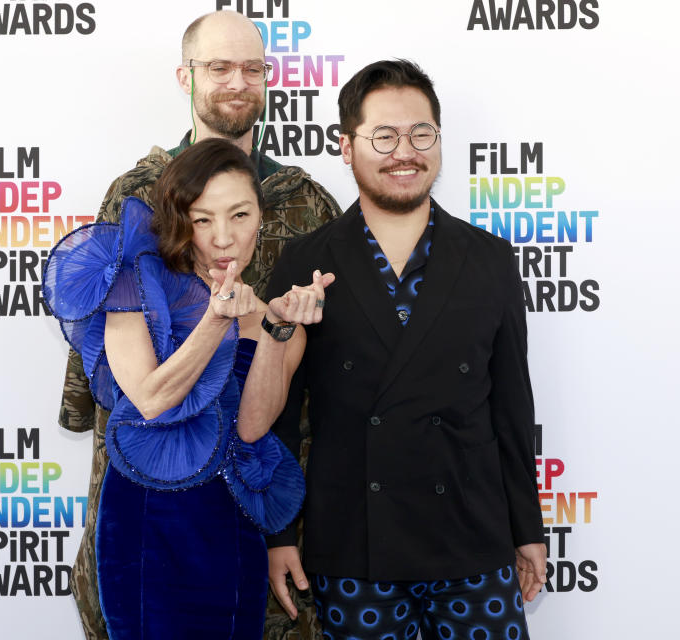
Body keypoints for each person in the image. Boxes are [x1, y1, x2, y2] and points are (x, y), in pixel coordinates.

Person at [56, 10, 340, 639]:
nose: (236, 81)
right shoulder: (135, 196)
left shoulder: (308, 202)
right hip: (146, 490)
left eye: (252, 68)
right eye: (218, 67)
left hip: (250, 496)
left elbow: (314, 387)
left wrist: (284, 528)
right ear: (185, 76)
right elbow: (118, 376)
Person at [264, 59, 548, 640]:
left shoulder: (490, 259)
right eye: (384, 136)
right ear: (346, 146)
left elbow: (513, 410)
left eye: (422, 134)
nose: (406, 152)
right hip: (353, 542)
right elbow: (282, 419)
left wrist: (528, 529)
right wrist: (279, 535)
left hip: (472, 537)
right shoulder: (303, 261)